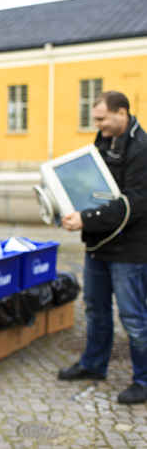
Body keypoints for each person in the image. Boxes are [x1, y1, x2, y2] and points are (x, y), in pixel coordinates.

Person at [58, 91, 147, 404]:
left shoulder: (142, 148)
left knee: (134, 319)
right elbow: (89, 187)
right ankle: (93, 365)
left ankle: (144, 381)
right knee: (95, 311)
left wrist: (85, 217)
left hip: (130, 252)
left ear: (121, 113)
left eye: (101, 118)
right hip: (98, 246)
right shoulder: (102, 142)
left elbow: (134, 204)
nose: (96, 124)